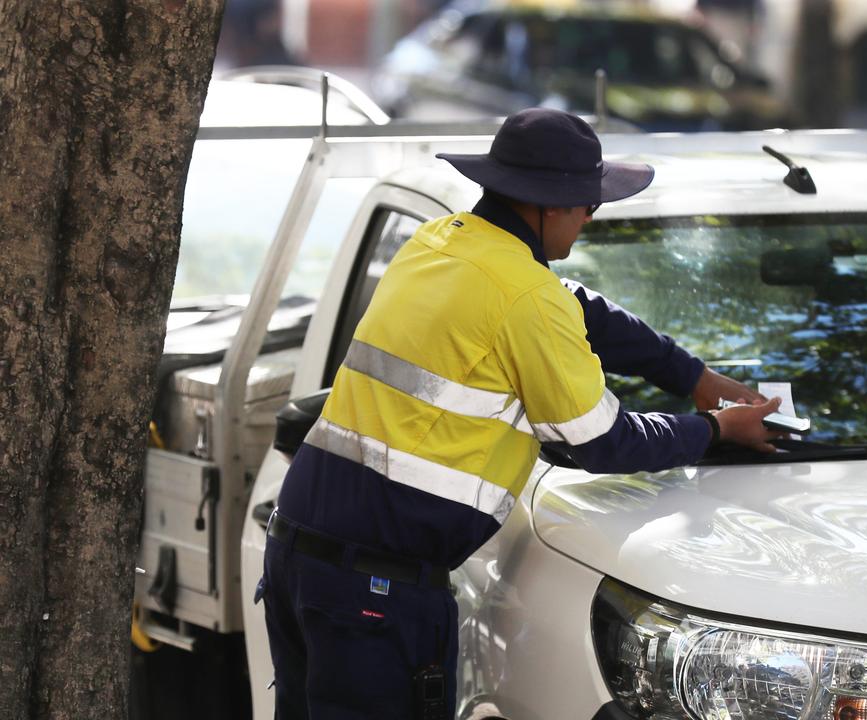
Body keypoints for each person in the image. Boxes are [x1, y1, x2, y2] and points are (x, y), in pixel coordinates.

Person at [259, 108, 785, 719]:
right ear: (549, 204)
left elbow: (581, 308)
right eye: (588, 204)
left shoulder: (438, 241)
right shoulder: (526, 297)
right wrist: (717, 429)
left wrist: (691, 376)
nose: (591, 216)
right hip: (377, 592)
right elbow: (601, 442)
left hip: (301, 555)